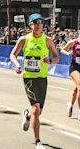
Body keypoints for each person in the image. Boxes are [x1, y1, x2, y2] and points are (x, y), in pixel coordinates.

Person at [10, 13, 59, 149]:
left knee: (38, 111)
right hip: (29, 78)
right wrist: (17, 65)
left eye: (41, 23)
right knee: (36, 109)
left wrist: (49, 60)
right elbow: (13, 54)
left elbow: (56, 58)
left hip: (42, 78)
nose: (38, 25)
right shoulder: (24, 39)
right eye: (35, 23)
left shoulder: (48, 40)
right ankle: (38, 142)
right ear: (30, 25)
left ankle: (27, 116)